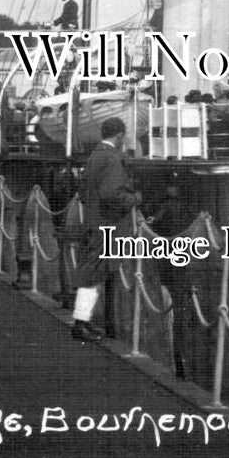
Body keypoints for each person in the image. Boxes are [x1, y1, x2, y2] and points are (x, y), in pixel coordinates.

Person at [71, 117, 141, 342]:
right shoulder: (111, 159)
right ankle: (81, 324)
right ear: (119, 136)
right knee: (94, 274)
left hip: (94, 221)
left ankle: (84, 322)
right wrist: (135, 198)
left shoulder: (94, 156)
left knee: (92, 272)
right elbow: (112, 194)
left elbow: (83, 188)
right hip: (108, 225)